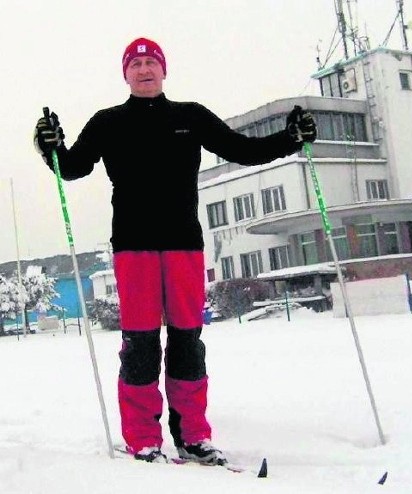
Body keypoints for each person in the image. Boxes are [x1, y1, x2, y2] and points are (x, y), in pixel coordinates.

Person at [33, 37, 317, 464]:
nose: (144, 69)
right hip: (134, 247)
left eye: (152, 62)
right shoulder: (108, 122)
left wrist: (291, 138)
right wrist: (50, 145)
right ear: (125, 74)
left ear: (164, 71)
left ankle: (193, 436)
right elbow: (71, 167)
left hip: (184, 244)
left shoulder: (191, 116)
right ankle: (143, 439)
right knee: (141, 344)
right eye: (136, 63)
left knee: (188, 341)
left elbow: (244, 149)